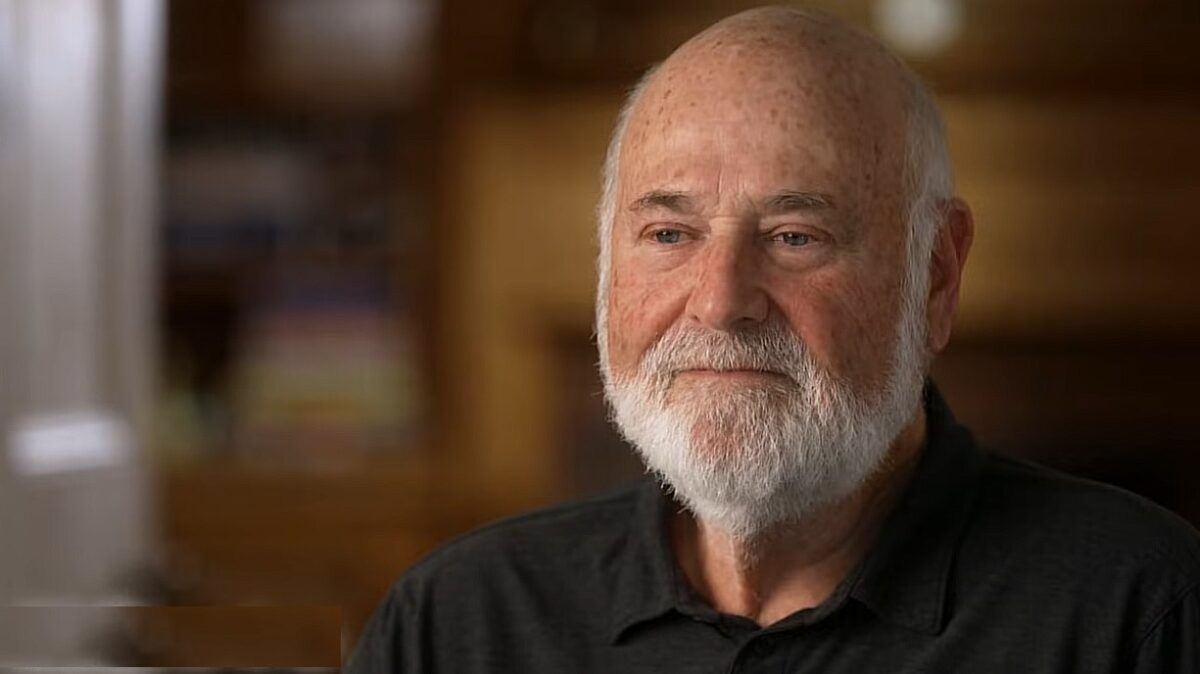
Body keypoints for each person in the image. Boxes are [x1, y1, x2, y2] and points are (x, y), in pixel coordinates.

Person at [347, 7, 1200, 673]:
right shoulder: (457, 624)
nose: (721, 303)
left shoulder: (1141, 612)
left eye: (796, 236)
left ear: (936, 276)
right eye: (669, 235)